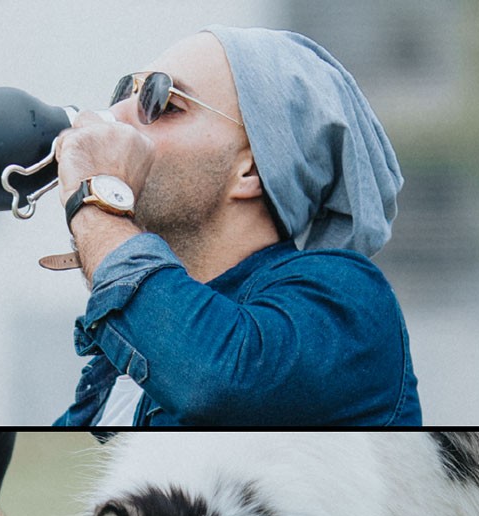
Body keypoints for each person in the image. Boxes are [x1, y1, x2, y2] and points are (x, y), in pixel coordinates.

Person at [51, 26, 422, 427]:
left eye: (163, 102)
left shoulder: (349, 297)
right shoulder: (129, 363)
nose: (117, 117)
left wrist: (97, 200)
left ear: (252, 170)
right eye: (124, 93)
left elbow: (214, 382)